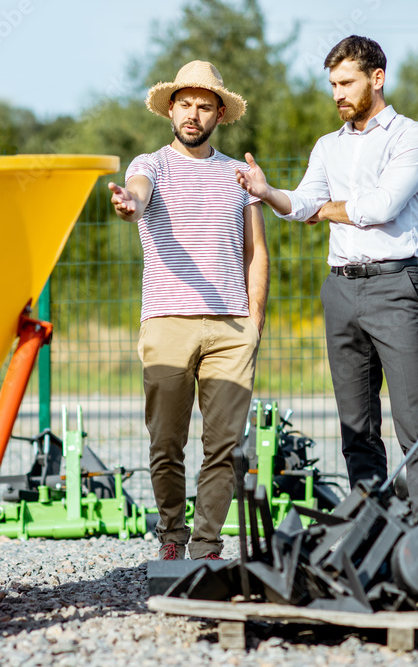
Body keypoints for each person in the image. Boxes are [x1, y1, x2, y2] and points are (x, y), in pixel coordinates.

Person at [235, 35, 418, 522]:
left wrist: (320, 211)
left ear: (377, 78)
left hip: (395, 286)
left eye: (346, 82)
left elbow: (380, 208)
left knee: (415, 424)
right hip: (340, 291)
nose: (337, 94)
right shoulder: (327, 146)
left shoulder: (410, 137)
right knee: (357, 428)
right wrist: (268, 192)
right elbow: (301, 201)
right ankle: (374, 534)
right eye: (332, 84)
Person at [108, 60, 269, 560]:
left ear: (219, 113)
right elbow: (139, 192)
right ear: (171, 110)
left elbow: (256, 251)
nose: (193, 114)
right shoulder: (149, 165)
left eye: (204, 105)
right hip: (167, 323)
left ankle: (206, 546)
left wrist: (254, 321)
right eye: (185, 104)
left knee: (223, 446)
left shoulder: (238, 175)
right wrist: (131, 204)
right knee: (167, 443)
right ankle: (173, 537)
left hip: (231, 327)